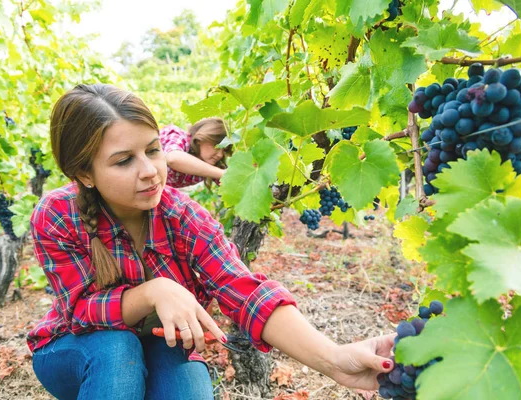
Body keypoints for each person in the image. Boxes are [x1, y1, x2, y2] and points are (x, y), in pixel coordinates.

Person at [27, 83, 395, 400]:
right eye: (124, 161)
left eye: (153, 150)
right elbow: (79, 313)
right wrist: (153, 292)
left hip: (159, 341)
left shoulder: (182, 215)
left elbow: (244, 290)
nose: (150, 171)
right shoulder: (58, 214)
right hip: (74, 348)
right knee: (116, 352)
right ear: (84, 174)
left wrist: (334, 359)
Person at [159, 118, 230, 188]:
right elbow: (173, 158)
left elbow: (231, 184)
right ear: (201, 139)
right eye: (217, 147)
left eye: (224, 150)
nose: (220, 155)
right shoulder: (178, 136)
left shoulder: (212, 165)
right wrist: (222, 173)